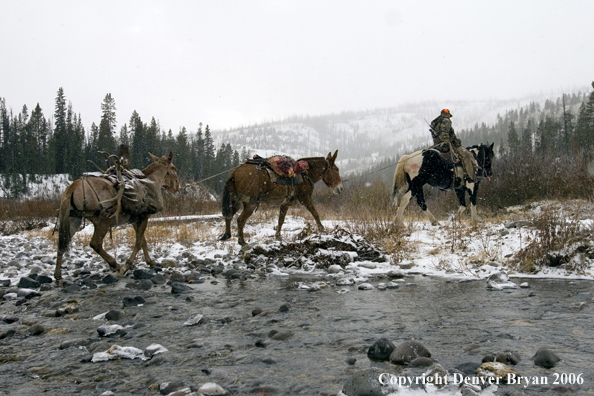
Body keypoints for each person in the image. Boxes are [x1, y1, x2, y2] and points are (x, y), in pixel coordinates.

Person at [430, 109, 478, 181]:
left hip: (437, 144)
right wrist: (447, 141)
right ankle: (472, 176)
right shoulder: (446, 120)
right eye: (448, 114)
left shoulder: (435, 122)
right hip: (449, 144)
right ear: (446, 114)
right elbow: (444, 132)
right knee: (467, 155)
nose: (449, 116)